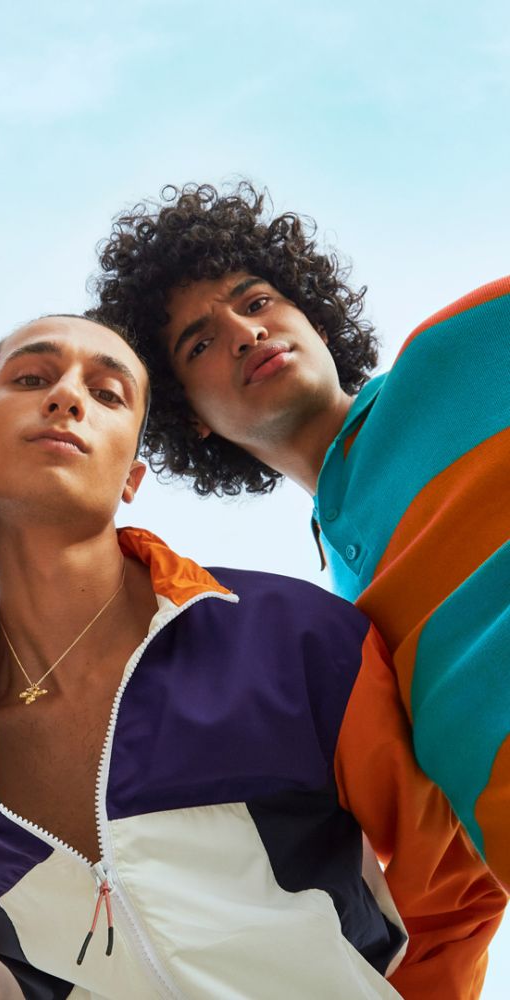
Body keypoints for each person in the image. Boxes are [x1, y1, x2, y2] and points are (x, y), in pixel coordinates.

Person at [0, 313, 504, 999]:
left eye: (107, 394)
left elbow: (450, 883)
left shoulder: (295, 637)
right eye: (32, 378)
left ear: (132, 476)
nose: (67, 397)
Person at [91, 182, 510, 884]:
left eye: (257, 302)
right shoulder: (338, 623)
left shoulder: (462, 345)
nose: (246, 332)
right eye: (201, 343)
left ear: (311, 316)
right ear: (189, 416)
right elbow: (441, 863)